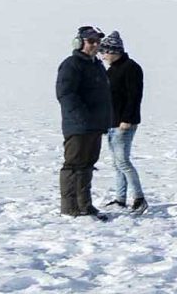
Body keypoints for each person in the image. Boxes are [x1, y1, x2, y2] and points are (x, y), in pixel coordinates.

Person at [55, 25, 113, 221]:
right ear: (80, 42)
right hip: (78, 126)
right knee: (73, 165)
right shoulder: (72, 64)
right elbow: (65, 94)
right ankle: (69, 207)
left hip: (95, 125)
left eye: (97, 41)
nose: (95, 45)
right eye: (90, 41)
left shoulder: (96, 65)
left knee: (88, 165)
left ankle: (84, 204)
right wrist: (81, 117)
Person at [99, 31, 148, 213]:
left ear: (114, 51)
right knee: (117, 163)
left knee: (123, 162)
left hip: (123, 124)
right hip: (112, 122)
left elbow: (134, 96)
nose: (102, 55)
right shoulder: (112, 69)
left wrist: (127, 119)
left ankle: (139, 198)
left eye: (104, 51)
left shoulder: (131, 68)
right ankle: (120, 199)